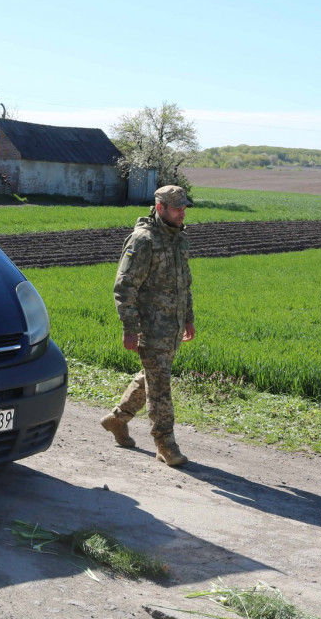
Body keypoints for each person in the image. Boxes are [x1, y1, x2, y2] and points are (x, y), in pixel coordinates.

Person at [100, 184, 197, 467]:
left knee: (153, 376)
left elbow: (184, 284)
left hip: (173, 327)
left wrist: (188, 318)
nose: (182, 213)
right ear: (160, 207)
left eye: (184, 207)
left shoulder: (179, 239)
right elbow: (124, 287)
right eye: (177, 208)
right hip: (150, 328)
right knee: (160, 387)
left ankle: (117, 419)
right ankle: (165, 444)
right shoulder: (143, 240)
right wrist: (130, 328)